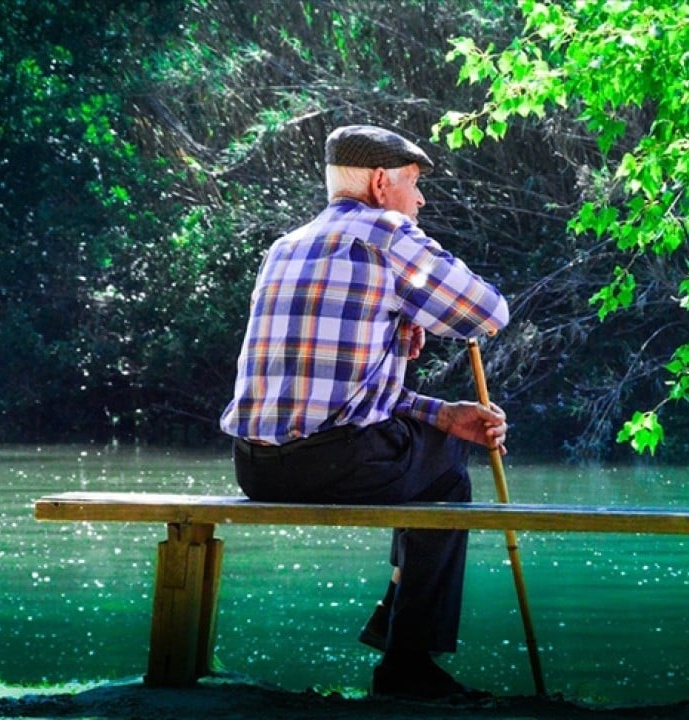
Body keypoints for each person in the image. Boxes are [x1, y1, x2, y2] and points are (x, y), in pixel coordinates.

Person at [219, 124, 510, 702]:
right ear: (381, 183)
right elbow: (487, 313)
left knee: (437, 441)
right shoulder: (388, 233)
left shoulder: (287, 246)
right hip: (334, 462)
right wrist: (417, 310)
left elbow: (338, 391)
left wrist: (439, 411)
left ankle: (396, 627)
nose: (420, 200)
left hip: (255, 467)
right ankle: (406, 663)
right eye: (413, 184)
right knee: (448, 469)